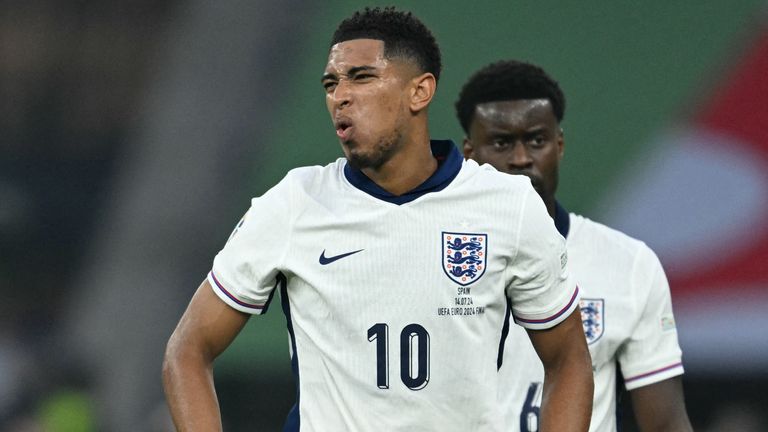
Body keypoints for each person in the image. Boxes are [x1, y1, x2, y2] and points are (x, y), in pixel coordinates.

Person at [162, 9, 593, 431]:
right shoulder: (295, 203)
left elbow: (569, 359)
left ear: (420, 92)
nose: (340, 96)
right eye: (331, 83)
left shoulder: (508, 206)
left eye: (362, 77)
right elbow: (188, 350)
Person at [456, 59, 693, 432]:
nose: (521, 159)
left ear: (559, 145)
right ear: (469, 154)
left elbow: (664, 423)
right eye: (501, 142)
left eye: (536, 140)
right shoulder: (437, 256)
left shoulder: (629, 264)